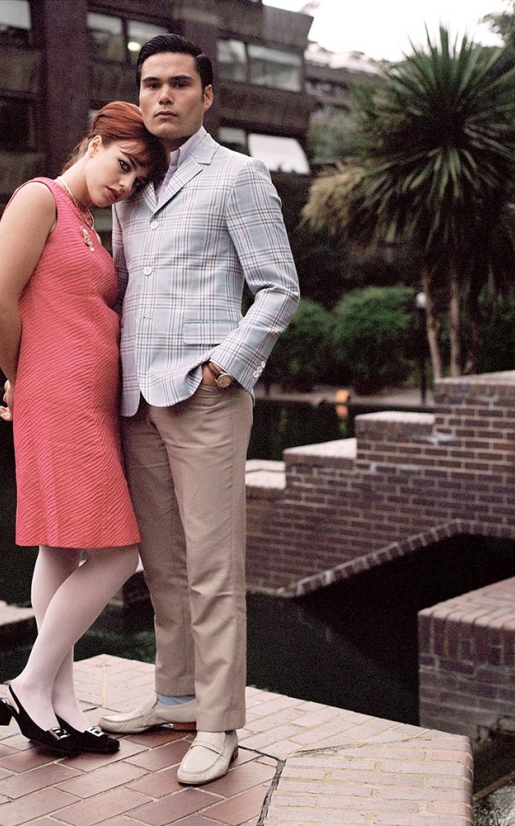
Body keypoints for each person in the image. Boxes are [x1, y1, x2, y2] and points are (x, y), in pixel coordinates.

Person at [98, 35, 300, 784]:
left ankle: (218, 724)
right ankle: (175, 697)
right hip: (136, 400)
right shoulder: (133, 184)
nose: (161, 97)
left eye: (178, 84)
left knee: (214, 568)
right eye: (150, 84)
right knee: (164, 566)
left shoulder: (238, 176)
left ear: (206, 96)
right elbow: (122, 289)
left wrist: (228, 363)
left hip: (206, 397)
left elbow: (278, 288)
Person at [0, 102, 167, 756]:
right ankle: (30, 684)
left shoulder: (91, 221)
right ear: (92, 141)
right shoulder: (39, 199)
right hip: (55, 400)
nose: (126, 185)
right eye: (123, 165)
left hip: (86, 404)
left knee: (60, 549)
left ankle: (58, 701)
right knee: (119, 553)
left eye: (139, 180)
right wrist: (18, 376)